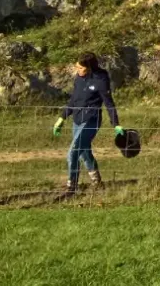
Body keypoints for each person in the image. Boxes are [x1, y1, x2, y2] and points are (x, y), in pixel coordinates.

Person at [53, 52, 123, 196]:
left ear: (90, 67)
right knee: (84, 152)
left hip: (91, 120)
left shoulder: (101, 80)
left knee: (72, 153)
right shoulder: (79, 78)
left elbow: (109, 104)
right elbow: (74, 99)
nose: (78, 71)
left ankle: (71, 187)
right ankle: (97, 181)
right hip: (77, 119)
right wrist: (62, 117)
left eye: (81, 68)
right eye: (77, 68)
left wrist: (116, 124)